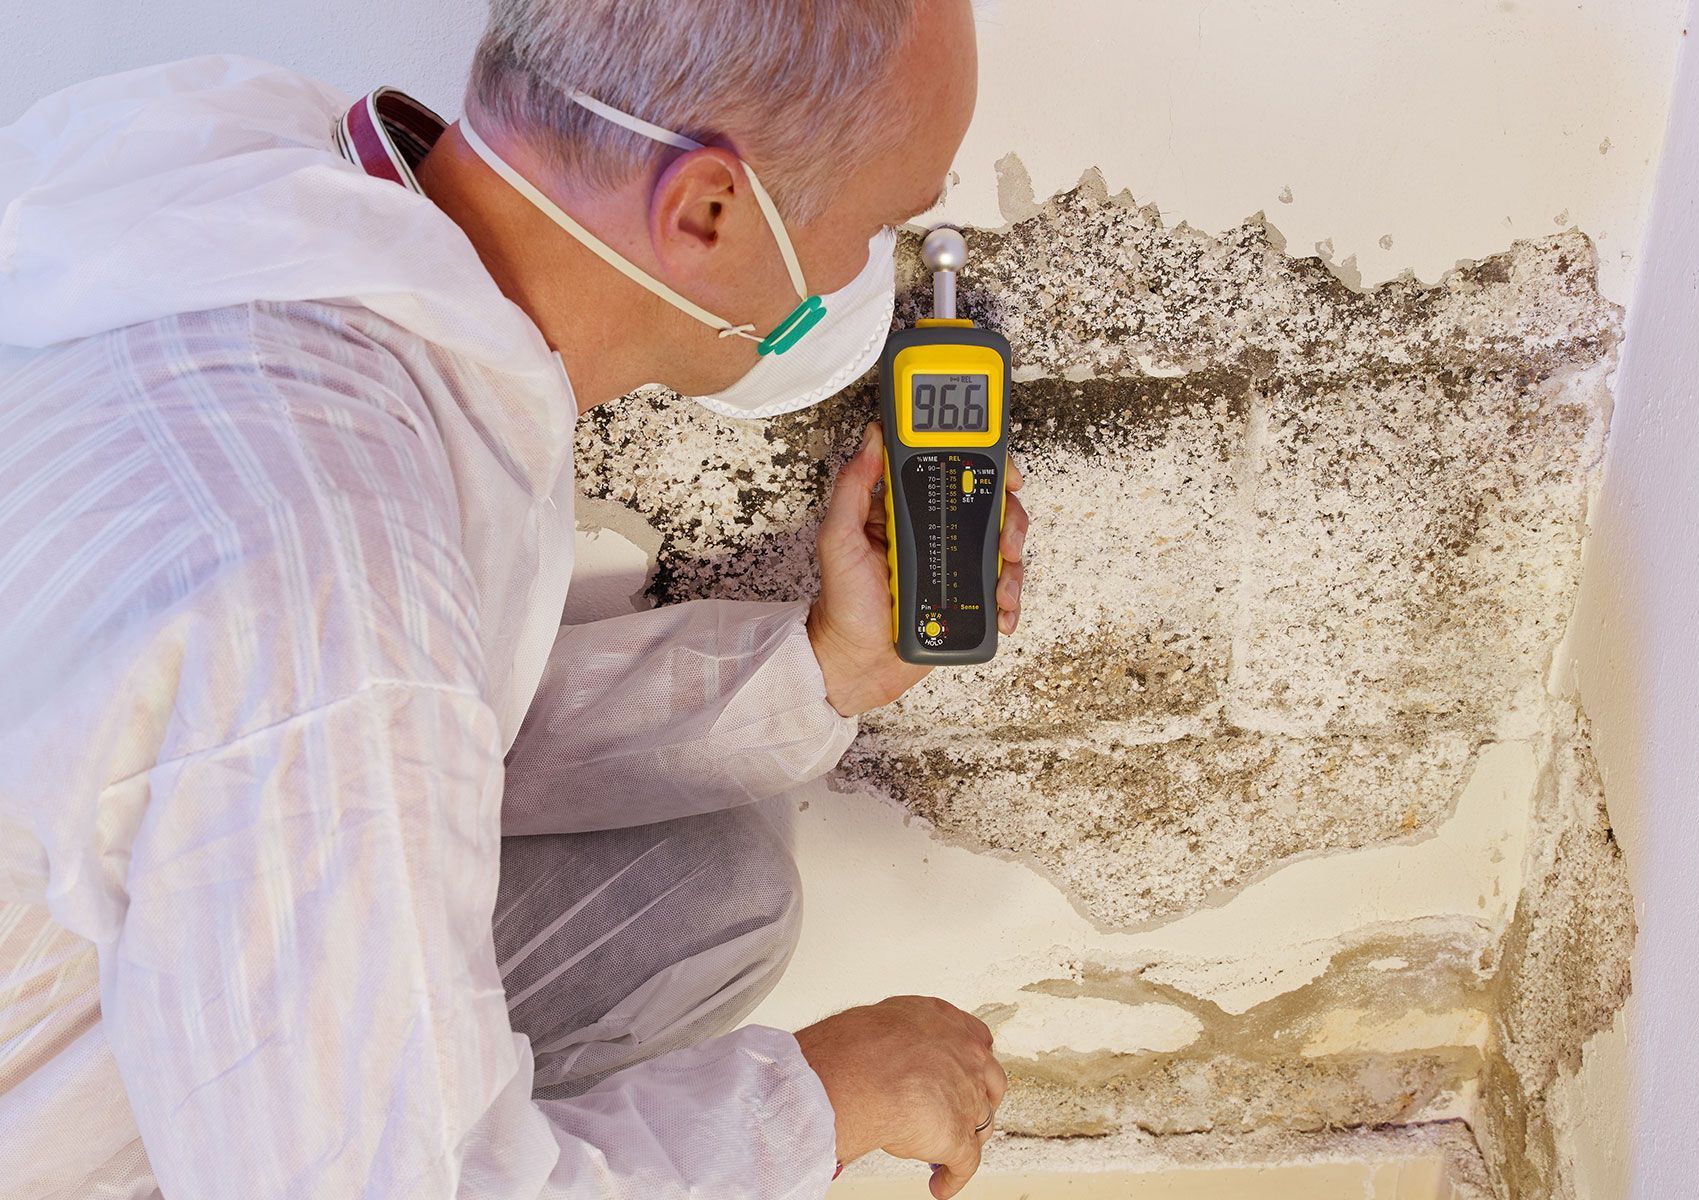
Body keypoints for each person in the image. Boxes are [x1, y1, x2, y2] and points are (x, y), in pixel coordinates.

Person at [0, 0, 1029, 1196]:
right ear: (707, 211)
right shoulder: (319, 582)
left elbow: (415, 722)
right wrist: (825, 1101)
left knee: (709, 890)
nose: (869, 273)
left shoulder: (261, 178)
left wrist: (825, 667)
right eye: (880, 225)